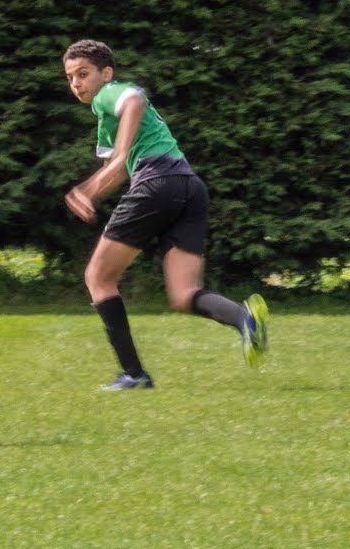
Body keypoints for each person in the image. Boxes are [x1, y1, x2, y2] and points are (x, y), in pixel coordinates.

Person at [62, 39, 269, 390]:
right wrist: (90, 190)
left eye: (83, 74)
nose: (76, 84)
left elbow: (134, 99)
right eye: (70, 78)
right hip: (189, 186)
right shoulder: (106, 120)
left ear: (106, 74)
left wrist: (117, 157)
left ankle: (133, 374)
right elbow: (116, 169)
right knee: (185, 294)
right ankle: (243, 317)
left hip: (157, 183)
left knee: (98, 277)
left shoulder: (107, 95)